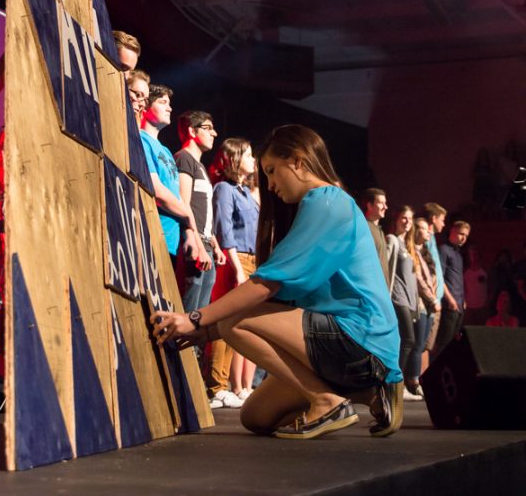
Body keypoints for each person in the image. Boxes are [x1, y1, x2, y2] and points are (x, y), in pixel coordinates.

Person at [151, 124, 403, 440]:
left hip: (362, 339)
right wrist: (206, 333)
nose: (269, 185)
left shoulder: (326, 201)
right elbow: (281, 300)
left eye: (271, 171)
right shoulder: (319, 206)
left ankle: (328, 401)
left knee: (234, 321)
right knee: (255, 416)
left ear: (297, 161)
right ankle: (368, 394)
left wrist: (194, 318)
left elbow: (265, 286)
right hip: (341, 342)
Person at [207, 138, 259, 408]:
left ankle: (225, 385)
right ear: (235, 159)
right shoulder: (224, 189)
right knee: (224, 321)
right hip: (234, 259)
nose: (253, 160)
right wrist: (237, 268)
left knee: (237, 324)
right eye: (249, 154)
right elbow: (223, 229)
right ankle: (216, 386)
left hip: (250, 260)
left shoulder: (245, 192)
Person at [140, 85, 199, 268]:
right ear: (146, 106)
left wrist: (189, 232)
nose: (169, 108)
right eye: (162, 102)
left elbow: (177, 195)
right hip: (152, 237)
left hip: (171, 245)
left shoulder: (165, 150)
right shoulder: (141, 139)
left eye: (170, 103)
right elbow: (157, 191)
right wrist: (189, 218)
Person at [174, 111, 226, 321]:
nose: (213, 133)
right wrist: (195, 240)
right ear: (191, 131)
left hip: (205, 243)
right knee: (191, 303)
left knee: (202, 312)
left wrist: (214, 244)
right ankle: (183, 350)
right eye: (207, 128)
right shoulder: (184, 159)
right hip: (195, 244)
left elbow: (202, 208)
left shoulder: (200, 166)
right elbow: (184, 204)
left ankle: (194, 352)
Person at [386, 206, 419, 401]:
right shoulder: (392, 240)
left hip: (407, 299)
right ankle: (395, 384)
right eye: (403, 217)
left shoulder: (407, 244)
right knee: (409, 340)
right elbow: (387, 269)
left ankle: (397, 385)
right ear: (396, 219)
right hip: (396, 298)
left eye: (409, 218)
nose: (407, 221)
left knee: (405, 341)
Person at [405, 217, 438, 398]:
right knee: (416, 344)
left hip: (429, 305)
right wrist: (433, 299)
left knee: (422, 344)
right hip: (420, 303)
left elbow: (432, 278)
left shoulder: (425, 252)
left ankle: (414, 380)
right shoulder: (412, 252)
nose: (429, 232)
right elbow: (418, 280)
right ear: (417, 231)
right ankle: (412, 381)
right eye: (425, 229)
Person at [432, 221, 470, 359]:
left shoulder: (459, 254)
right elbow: (439, 277)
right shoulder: (443, 249)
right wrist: (450, 298)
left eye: (466, 235)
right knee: (443, 343)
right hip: (449, 304)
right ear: (452, 231)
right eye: (461, 234)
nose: (463, 238)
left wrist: (462, 299)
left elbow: (457, 278)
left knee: (453, 343)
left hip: (458, 305)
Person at [422, 202, 447, 365]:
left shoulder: (433, 239)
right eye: (442, 220)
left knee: (428, 345)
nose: (444, 224)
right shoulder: (426, 239)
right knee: (424, 345)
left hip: (436, 301)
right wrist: (433, 298)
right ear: (434, 218)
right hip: (430, 302)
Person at [362, 188, 389, 287]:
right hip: (373, 289)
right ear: (370, 205)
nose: (385, 207)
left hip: (383, 290)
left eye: (385, 203)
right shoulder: (364, 227)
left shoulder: (379, 230)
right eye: (381, 203)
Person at [463, 246, 488, 325]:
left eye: (475, 254)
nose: (473, 256)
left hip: (482, 305)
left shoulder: (484, 270)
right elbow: (464, 288)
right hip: (469, 306)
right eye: (471, 254)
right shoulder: (466, 271)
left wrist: (487, 302)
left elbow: (490, 287)